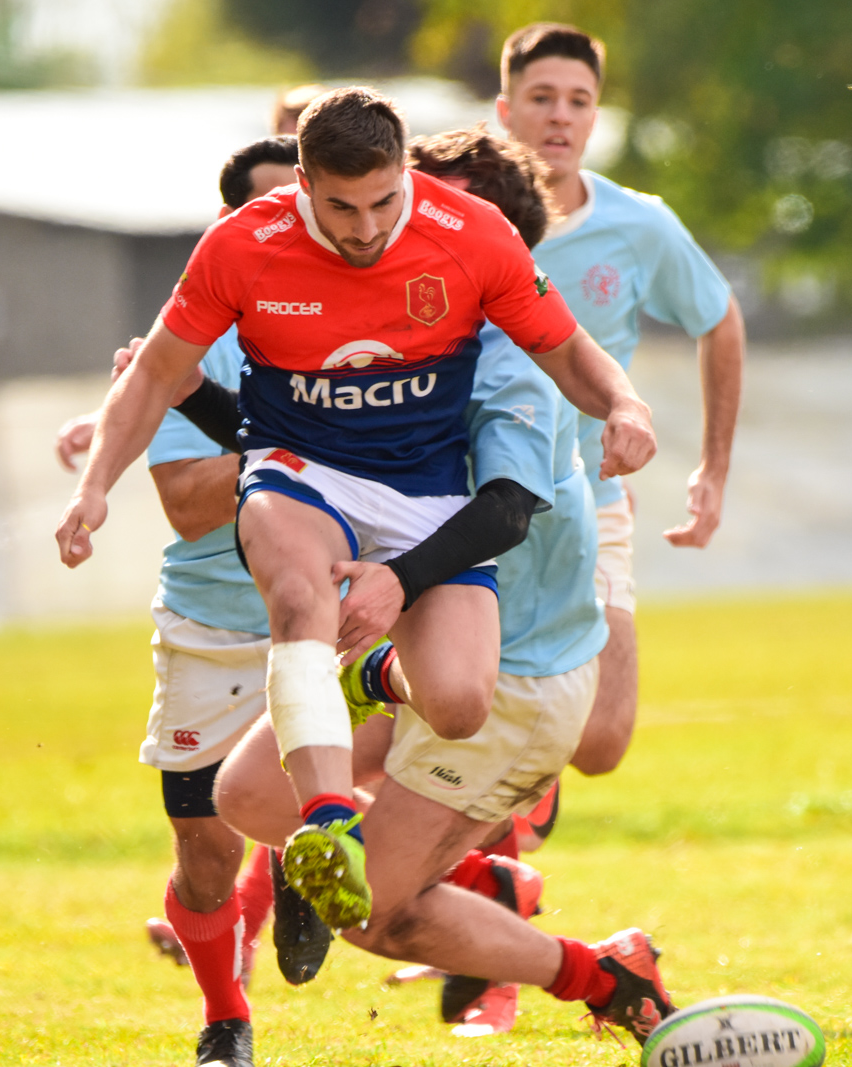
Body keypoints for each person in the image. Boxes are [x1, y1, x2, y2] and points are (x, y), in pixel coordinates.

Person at [54, 87, 657, 938]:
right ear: (302, 179)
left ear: (406, 171)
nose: (367, 228)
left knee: (455, 703)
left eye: (383, 201)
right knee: (300, 599)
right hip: (302, 472)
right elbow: (153, 373)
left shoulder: (468, 237)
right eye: (341, 206)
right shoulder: (243, 244)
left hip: (425, 493)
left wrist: (625, 407)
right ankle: (329, 820)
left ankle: (368, 678)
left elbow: (564, 350)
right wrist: (93, 487)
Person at [200, 127, 672, 1048]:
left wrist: (396, 577)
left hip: (512, 685)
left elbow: (503, 513)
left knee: (372, 911)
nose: (390, 226)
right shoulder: (412, 328)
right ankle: (478, 876)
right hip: (418, 650)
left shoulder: (513, 354)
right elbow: (290, 441)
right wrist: (173, 384)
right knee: (250, 794)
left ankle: (605, 975)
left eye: (421, 201)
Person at [56, 137, 323, 1067]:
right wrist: (308, 454)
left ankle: (308, 861)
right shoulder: (189, 341)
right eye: (270, 210)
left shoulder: (364, 330)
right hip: (212, 630)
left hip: (327, 620)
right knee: (204, 860)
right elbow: (189, 503)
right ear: (230, 227)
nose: (296, 224)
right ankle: (225, 1014)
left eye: (309, 204)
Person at [498, 23, 747, 776]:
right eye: (541, 97)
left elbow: (720, 319)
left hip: (587, 497)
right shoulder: (465, 214)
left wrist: (713, 468)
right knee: (455, 701)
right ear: (505, 110)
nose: (560, 116)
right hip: (467, 497)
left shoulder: (638, 224)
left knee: (602, 741)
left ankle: (492, 830)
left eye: (579, 100)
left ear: (596, 116)